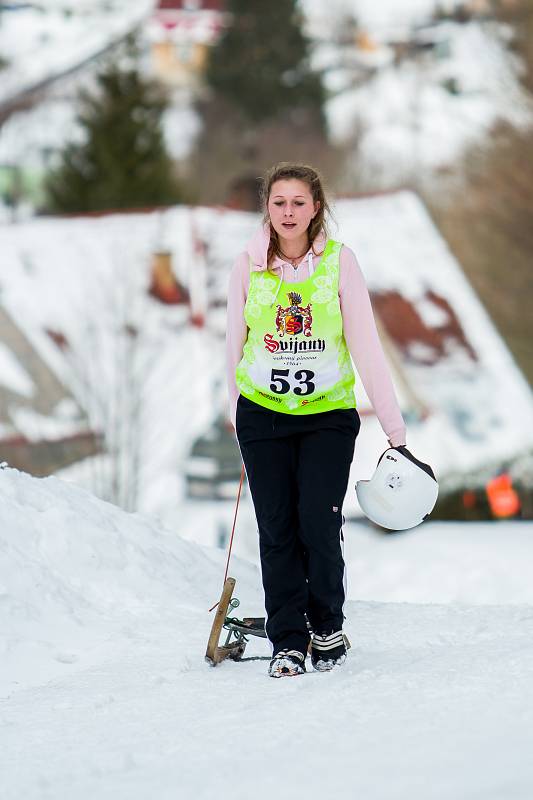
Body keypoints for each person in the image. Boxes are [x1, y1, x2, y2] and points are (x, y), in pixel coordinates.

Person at [226, 163, 406, 678]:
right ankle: (288, 640)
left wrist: (393, 427)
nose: (288, 212)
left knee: (317, 521)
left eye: (298, 203)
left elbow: (367, 347)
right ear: (268, 208)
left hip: (327, 415)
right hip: (262, 414)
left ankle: (327, 624)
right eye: (279, 202)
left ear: (316, 207)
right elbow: (233, 342)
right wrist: (232, 408)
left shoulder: (340, 264)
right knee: (276, 529)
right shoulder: (247, 265)